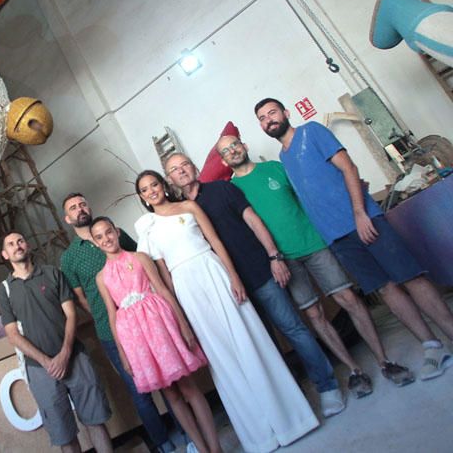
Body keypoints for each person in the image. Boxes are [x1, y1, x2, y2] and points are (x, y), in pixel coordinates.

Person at [255, 98, 453, 380]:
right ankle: (432, 346)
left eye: (272, 113)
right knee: (385, 290)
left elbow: (348, 168)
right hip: (338, 239)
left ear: (286, 113)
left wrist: (360, 213)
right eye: (262, 118)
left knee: (411, 277)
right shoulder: (284, 159)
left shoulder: (312, 132)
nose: (269, 120)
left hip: (364, 221)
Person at [134, 170, 318, 453]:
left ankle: (291, 421)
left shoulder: (189, 207)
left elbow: (216, 242)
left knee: (249, 339)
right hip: (187, 289)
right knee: (222, 356)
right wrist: (180, 314)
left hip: (213, 271)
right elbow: (164, 278)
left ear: (163, 185)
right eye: (145, 190)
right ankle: (261, 436)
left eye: (154, 184)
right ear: (143, 198)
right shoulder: (147, 232)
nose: (152, 191)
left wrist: (233, 276)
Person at [218, 134, 404, 396]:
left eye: (235, 145)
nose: (233, 151)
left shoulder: (274, 168)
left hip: (314, 243)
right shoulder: (231, 190)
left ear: (245, 146)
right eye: (226, 151)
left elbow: (309, 195)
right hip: (284, 260)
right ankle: (354, 371)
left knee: (348, 298)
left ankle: (384, 361)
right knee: (314, 314)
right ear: (224, 160)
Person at [163, 153, 346, 417]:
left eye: (184, 165)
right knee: (264, 346)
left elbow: (253, 220)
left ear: (193, 167)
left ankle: (327, 386)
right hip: (226, 290)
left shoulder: (223, 189)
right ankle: (292, 403)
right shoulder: (178, 214)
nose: (181, 171)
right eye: (174, 169)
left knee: (293, 328)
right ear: (170, 179)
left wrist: (274, 256)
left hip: (259, 272)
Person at [60, 193, 183, 453]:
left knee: (169, 379)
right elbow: (81, 298)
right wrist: (108, 317)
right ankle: (162, 443)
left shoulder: (115, 233)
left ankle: (186, 430)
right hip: (111, 330)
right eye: (73, 208)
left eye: (83, 203)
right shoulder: (69, 258)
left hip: (148, 319)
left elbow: (143, 262)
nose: (80, 209)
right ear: (67, 218)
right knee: (139, 390)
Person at [90, 216, 220, 453]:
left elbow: (162, 289)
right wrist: (123, 353)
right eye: (99, 237)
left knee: (188, 387)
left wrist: (183, 324)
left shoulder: (139, 258)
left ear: (116, 232)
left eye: (108, 232)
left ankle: (215, 446)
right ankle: (202, 448)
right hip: (136, 339)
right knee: (171, 395)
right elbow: (112, 315)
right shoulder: (101, 277)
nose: (106, 239)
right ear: (95, 243)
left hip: (159, 325)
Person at [0, 231, 113, 453]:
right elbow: (12, 334)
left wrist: (64, 354)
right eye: (10, 244)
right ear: (5, 254)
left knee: (95, 422)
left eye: (20, 241)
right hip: (40, 370)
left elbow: (71, 315)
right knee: (64, 435)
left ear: (27, 245)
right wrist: (46, 361)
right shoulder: (5, 290)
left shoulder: (52, 274)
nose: (17, 246)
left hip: (75, 358)